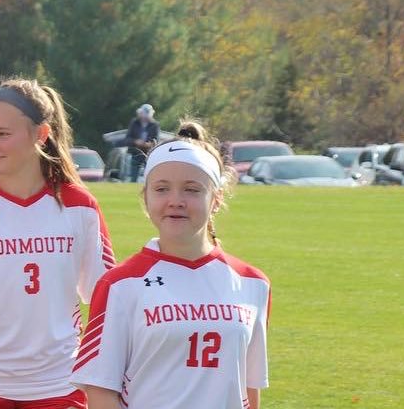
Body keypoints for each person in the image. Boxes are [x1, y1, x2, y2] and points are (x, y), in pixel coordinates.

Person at [0, 79, 115, 409]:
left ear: (41, 134)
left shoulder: (80, 206)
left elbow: (107, 305)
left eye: (2, 134)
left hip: (60, 384)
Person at [72, 122, 270, 409]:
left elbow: (249, 389)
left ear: (216, 199)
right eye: (162, 189)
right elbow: (100, 391)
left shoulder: (253, 284)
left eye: (191, 190)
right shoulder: (119, 285)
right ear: (146, 197)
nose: (175, 201)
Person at [125, 103, 160, 182]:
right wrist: (136, 141)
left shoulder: (155, 125)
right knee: (133, 178)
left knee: (149, 177)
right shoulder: (134, 123)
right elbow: (128, 138)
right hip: (135, 152)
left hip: (148, 154)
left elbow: (156, 140)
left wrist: (149, 144)